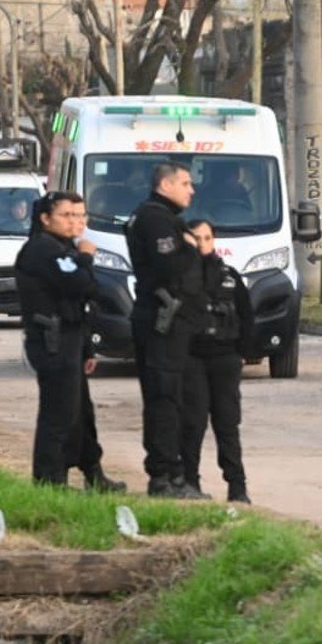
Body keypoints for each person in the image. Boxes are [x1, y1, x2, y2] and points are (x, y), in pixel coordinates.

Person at [13, 192, 126, 492]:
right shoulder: (42, 249)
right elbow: (80, 284)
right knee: (59, 414)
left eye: (80, 216)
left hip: (72, 338)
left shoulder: (65, 248)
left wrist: (87, 347)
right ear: (45, 218)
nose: (75, 222)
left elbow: (81, 303)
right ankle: (49, 481)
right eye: (67, 215)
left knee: (81, 412)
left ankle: (94, 474)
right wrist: (87, 256)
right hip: (52, 340)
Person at [126, 163, 208, 499]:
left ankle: (177, 475)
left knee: (178, 400)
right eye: (186, 183)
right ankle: (163, 477)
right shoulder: (155, 218)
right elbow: (167, 266)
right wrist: (189, 246)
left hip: (176, 325)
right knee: (164, 399)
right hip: (163, 322)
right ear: (165, 184)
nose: (192, 190)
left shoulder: (164, 217)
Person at [180, 219, 254, 504]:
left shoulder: (229, 276)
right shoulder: (180, 277)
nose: (201, 244)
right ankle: (189, 481)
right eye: (195, 239)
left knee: (227, 424)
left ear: (214, 240)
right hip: (192, 358)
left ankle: (237, 486)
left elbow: (247, 316)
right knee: (192, 423)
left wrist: (242, 351)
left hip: (224, 358)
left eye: (206, 238)